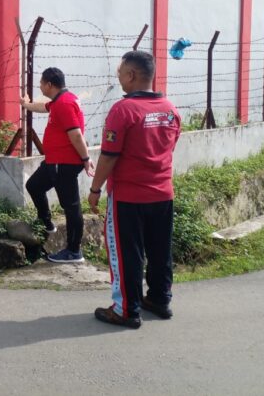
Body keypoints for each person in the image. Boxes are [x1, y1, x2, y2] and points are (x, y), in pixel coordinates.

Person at [88, 51, 181, 329]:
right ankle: (160, 299)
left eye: (120, 73)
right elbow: (169, 147)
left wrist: (95, 189)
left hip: (128, 197)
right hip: (163, 193)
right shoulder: (170, 109)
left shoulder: (123, 110)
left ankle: (126, 310)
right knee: (159, 249)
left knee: (128, 253)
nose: (119, 78)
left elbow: (109, 156)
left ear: (131, 75)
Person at [21, 67, 94, 262]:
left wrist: (86, 159)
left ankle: (73, 250)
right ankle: (46, 222)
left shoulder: (64, 104)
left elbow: (76, 135)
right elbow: (42, 107)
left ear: (49, 85)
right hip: (54, 162)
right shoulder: (60, 101)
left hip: (64, 163)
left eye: (41, 83)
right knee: (34, 186)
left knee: (71, 206)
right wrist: (26, 105)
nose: (40, 86)